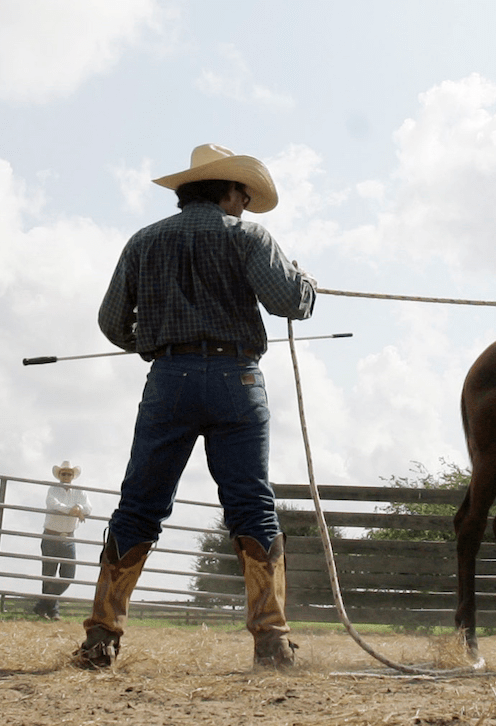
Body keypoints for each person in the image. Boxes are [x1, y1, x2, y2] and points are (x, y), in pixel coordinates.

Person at [77, 143, 316, 670]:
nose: (246, 206)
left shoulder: (143, 241)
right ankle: (271, 639)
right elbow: (288, 303)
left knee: (140, 503)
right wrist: (306, 285)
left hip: (168, 380)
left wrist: (156, 340)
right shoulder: (248, 236)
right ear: (228, 191)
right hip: (237, 377)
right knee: (252, 504)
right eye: (244, 197)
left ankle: (102, 636)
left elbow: (113, 323)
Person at [35, 461, 92, 620]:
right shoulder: (53, 489)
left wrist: (79, 509)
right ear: (59, 476)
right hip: (51, 535)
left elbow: (88, 508)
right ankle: (53, 612)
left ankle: (42, 605)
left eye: (69, 474)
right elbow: (53, 504)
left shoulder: (80, 492)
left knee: (68, 577)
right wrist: (72, 510)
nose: (66, 476)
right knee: (49, 575)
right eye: (63, 474)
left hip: (68, 536)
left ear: (73, 476)